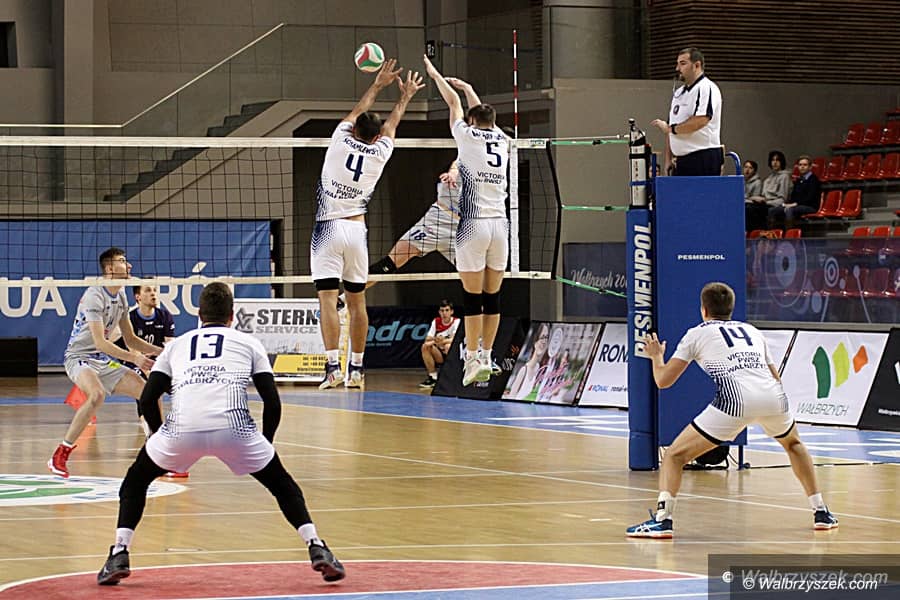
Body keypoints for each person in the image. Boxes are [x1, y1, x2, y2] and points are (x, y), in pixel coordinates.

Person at [96, 282, 345, 585]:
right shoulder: (249, 343)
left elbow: (148, 399)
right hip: (235, 429)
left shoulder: (176, 346)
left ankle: (119, 552)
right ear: (232, 315)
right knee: (282, 484)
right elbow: (272, 402)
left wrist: (158, 440)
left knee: (135, 481)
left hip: (181, 430)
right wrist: (265, 445)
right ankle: (316, 545)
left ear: (199, 315)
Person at [626, 282, 838, 538]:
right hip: (773, 396)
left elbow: (663, 381)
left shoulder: (696, 334)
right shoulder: (752, 331)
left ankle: (662, 520)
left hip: (735, 401)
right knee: (794, 445)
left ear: (704, 310)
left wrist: (656, 356)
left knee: (674, 456)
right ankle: (821, 512)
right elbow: (776, 377)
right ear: (731, 309)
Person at [312, 58, 424, 390]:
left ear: (354, 131)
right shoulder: (380, 153)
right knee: (357, 302)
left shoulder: (339, 139)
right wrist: (405, 97)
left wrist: (377, 85)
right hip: (355, 231)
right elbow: (392, 125)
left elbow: (357, 112)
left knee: (328, 300)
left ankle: (333, 368)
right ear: (376, 138)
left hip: (327, 229)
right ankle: (357, 369)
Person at [424, 55, 510, 387]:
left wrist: (435, 75)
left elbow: (453, 103)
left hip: (474, 227)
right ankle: (486, 355)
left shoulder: (467, 136)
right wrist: (471, 88)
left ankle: (472, 357)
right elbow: (477, 111)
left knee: (473, 299)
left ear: (473, 122)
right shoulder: (502, 139)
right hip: (500, 226)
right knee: (493, 297)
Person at [48, 248, 162, 478]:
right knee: (97, 394)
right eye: (122, 261)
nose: (129, 266)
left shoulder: (121, 295)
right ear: (110, 269)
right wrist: (135, 358)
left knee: (146, 391)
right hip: (79, 357)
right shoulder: (94, 296)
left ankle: (160, 449)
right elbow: (100, 342)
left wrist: (163, 351)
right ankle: (60, 453)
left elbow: (130, 339)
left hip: (101, 359)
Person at [370, 162, 461, 277]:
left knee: (476, 278)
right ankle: (350, 289)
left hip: (466, 228)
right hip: (437, 219)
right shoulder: (469, 153)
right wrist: (453, 172)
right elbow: (457, 161)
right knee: (387, 265)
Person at [650, 47, 723, 176]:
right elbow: (670, 128)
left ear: (697, 65)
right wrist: (668, 159)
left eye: (683, 64)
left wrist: (671, 129)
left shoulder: (706, 88)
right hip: (681, 159)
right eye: (677, 64)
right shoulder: (679, 93)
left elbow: (700, 121)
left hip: (703, 157)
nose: (677, 68)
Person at [769, 155, 821, 228]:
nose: (802, 167)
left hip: (810, 206)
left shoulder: (814, 180)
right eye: (800, 165)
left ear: (810, 167)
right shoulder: (798, 180)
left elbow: (810, 198)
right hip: (797, 205)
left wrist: (795, 204)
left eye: (805, 165)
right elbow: (793, 196)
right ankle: (772, 233)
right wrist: (788, 204)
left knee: (789, 210)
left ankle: (790, 233)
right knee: (772, 210)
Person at [418, 299, 461, 388]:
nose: (444, 313)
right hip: (439, 354)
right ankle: (433, 378)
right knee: (425, 346)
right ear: (439, 312)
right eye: (442, 311)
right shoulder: (436, 321)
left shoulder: (456, 321)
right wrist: (436, 340)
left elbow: (456, 339)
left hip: (454, 354)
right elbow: (427, 339)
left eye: (447, 310)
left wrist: (443, 341)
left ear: (451, 312)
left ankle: (452, 377)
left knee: (448, 346)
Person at [747, 150, 791, 230]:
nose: (775, 162)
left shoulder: (784, 177)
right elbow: (764, 196)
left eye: (777, 160)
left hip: (774, 204)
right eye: (773, 160)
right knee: (747, 207)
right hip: (765, 202)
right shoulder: (769, 178)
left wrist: (766, 202)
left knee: (751, 210)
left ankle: (758, 232)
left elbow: (782, 199)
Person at [507, 323, 550, 400]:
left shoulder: (539, 368)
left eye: (546, 337)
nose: (544, 341)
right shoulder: (523, 370)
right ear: (535, 339)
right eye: (542, 337)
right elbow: (511, 397)